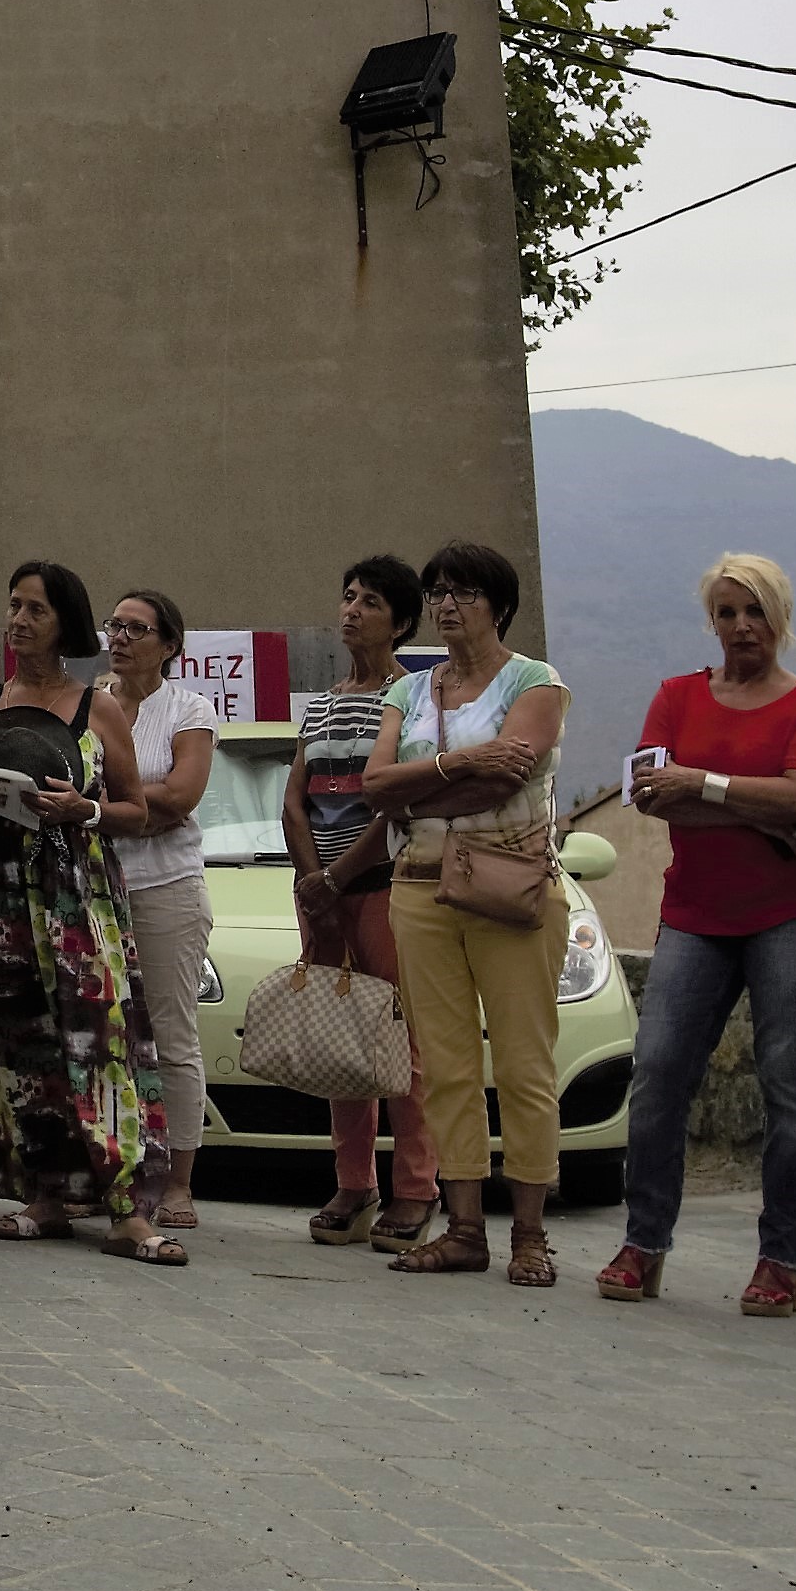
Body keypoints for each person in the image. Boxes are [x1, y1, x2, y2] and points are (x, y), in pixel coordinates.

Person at [596, 555, 796, 1316]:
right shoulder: (676, 696)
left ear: (780, 618)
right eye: (727, 612)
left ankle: (779, 1261)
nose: (742, 627)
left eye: (756, 612)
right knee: (659, 1075)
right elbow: (650, 795)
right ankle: (642, 1244)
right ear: (710, 621)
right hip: (697, 914)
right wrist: (764, 810)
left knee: (788, 1084)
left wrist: (703, 785)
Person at [0, 561, 167, 1262]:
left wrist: (80, 809)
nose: (18, 620)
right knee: (18, 1048)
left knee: (100, 1045)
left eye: (34, 608)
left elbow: (134, 810)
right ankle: (43, 1196)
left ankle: (127, 1208)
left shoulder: (98, 708)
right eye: (13, 606)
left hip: (75, 898)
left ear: (63, 621)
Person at [355, 544, 576, 1287]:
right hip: (417, 888)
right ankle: (464, 1228)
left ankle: (531, 1233)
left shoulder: (533, 682)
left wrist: (417, 789)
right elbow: (372, 786)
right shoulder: (408, 693)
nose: (448, 605)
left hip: (509, 885)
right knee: (444, 1066)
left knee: (521, 1062)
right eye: (438, 591)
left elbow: (502, 780)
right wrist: (457, 766)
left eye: (466, 592)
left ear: (499, 605)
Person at [282, 554, 434, 1247]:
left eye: (369, 601)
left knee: (398, 1041)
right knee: (342, 1041)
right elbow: (294, 797)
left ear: (400, 622)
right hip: (320, 893)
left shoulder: (407, 700)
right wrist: (313, 880)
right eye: (346, 596)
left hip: (378, 885)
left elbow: (391, 803)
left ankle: (415, 1187)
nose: (350, 610)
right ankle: (353, 1183)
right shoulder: (322, 701)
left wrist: (339, 876)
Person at [94, 589, 218, 1231]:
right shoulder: (91, 703)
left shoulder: (188, 707)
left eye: (136, 628)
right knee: (101, 1034)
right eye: (114, 625)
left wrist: (109, 804)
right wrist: (138, 805)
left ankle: (178, 1182)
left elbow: (181, 796)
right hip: (96, 885)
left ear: (168, 644)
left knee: (171, 1034)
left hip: (166, 885)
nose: (119, 637)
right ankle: (109, 1170)